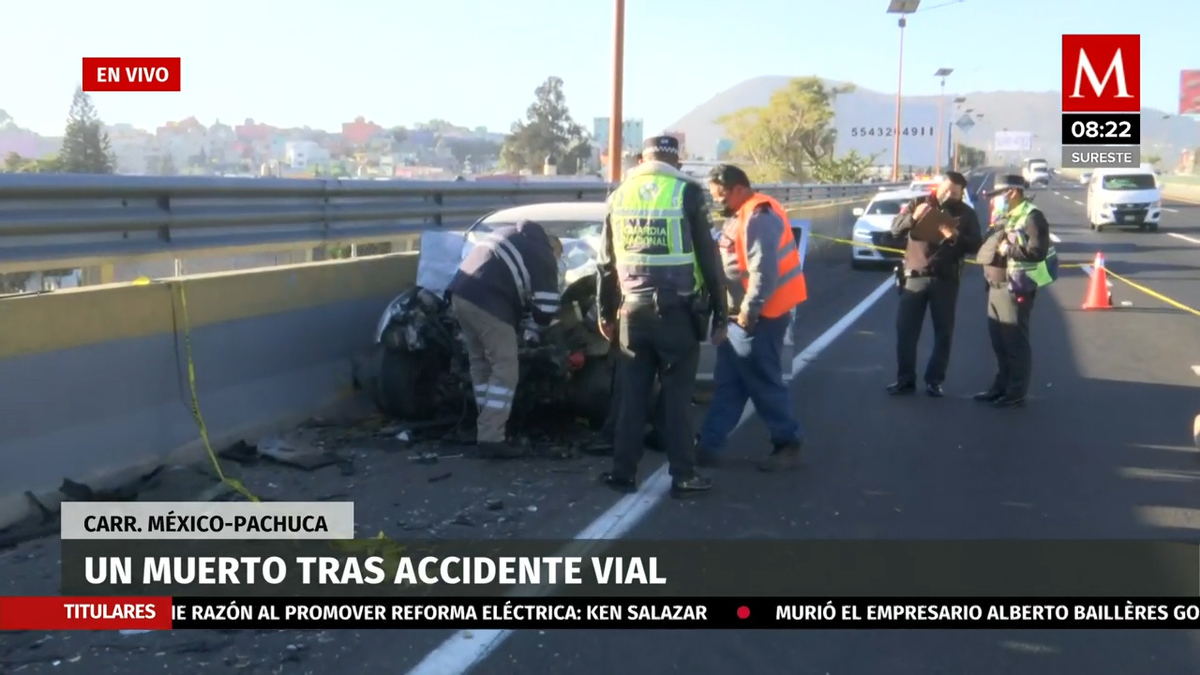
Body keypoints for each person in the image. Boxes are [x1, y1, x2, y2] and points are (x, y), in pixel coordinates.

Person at [596, 135, 728, 497]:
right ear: (677, 162)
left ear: (642, 159)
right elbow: (708, 257)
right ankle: (684, 475)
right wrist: (721, 312)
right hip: (676, 314)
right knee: (677, 398)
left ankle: (622, 474)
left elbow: (605, 263)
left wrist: (604, 311)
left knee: (632, 397)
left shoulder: (619, 195)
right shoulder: (686, 193)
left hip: (631, 313)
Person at [695, 164, 808, 472]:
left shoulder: (759, 215)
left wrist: (749, 311)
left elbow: (764, 271)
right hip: (740, 316)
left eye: (720, 194)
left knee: (763, 382)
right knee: (730, 383)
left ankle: (787, 442)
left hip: (760, 316)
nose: (717, 200)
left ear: (738, 189)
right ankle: (708, 445)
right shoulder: (739, 215)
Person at [445, 221, 563, 456]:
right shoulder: (544, 253)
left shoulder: (507, 234)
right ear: (554, 248)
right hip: (490, 304)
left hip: (460, 295)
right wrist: (535, 330)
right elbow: (547, 308)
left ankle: (484, 421)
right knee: (506, 367)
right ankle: (491, 438)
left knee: (481, 363)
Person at [885, 171, 982, 397]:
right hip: (915, 275)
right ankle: (905, 380)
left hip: (945, 280)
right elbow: (895, 228)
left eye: (955, 193)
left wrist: (955, 236)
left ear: (961, 194)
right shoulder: (918, 203)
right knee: (906, 331)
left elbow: (977, 245)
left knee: (943, 333)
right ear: (939, 186)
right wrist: (912, 218)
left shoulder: (966, 214)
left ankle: (934, 381)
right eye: (946, 189)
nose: (949, 195)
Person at [974, 174, 1055, 408]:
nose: (994, 201)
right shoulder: (1006, 216)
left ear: (1011, 192)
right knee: (999, 341)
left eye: (997, 195)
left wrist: (1008, 249)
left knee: (1014, 342)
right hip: (995, 286)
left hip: (1015, 287)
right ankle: (1000, 386)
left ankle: (1016, 391)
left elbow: (1037, 252)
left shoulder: (1032, 216)